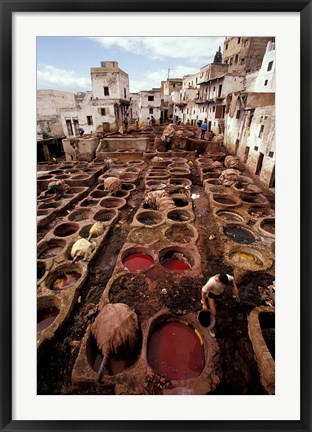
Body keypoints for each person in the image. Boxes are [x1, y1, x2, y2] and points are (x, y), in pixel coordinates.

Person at [201, 273, 240, 337]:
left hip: (219, 293)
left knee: (218, 296)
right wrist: (204, 305)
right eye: (223, 284)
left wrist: (235, 286)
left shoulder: (226, 277)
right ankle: (210, 328)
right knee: (213, 313)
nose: (224, 285)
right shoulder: (211, 282)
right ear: (219, 281)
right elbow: (202, 292)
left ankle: (207, 297)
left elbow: (232, 278)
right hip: (212, 295)